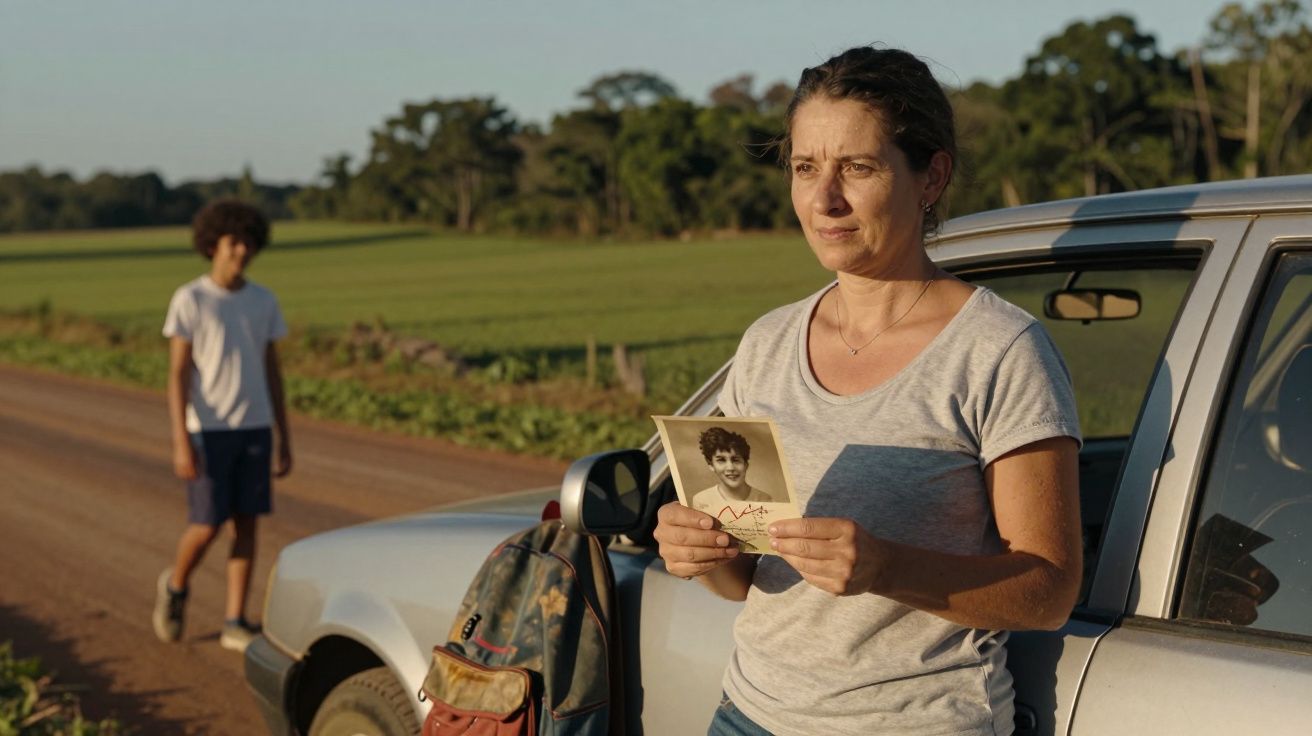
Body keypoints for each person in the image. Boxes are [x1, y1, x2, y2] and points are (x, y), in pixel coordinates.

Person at [653, 46, 1083, 736]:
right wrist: (703, 555)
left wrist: (887, 565)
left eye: (857, 167)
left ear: (931, 175)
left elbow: (1048, 593)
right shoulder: (766, 342)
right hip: (749, 716)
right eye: (804, 167)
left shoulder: (1000, 350)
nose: (824, 199)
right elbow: (743, 579)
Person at [152, 199, 293, 653]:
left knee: (247, 524)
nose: (242, 251)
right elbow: (177, 374)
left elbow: (273, 371)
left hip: (254, 427)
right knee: (207, 523)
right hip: (207, 430)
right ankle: (175, 586)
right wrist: (180, 439)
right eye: (234, 242)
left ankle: (235, 619)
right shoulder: (190, 299)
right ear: (213, 244)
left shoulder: (263, 300)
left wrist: (283, 436)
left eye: (249, 243)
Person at [689, 427, 775, 514]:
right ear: (711, 465)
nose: (730, 468)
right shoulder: (702, 500)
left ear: (746, 465)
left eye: (736, 460)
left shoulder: (765, 499)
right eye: (721, 460)